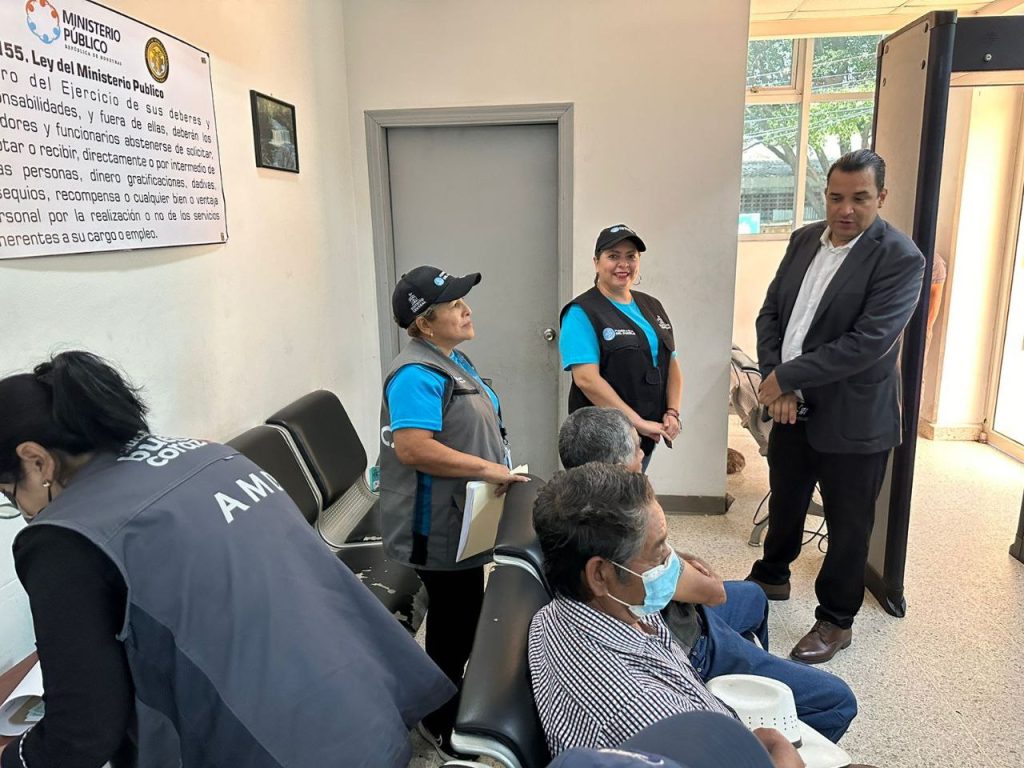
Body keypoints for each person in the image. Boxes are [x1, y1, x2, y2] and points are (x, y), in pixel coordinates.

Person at [0, 351, 454, 768]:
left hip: (279, 748)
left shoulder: (64, 535)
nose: (22, 510)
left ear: (36, 461)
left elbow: (81, 732)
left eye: (9, 493)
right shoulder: (211, 455)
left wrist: (15, 757)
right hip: (365, 714)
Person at [557, 406, 856, 741]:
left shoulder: (572, 519)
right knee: (839, 701)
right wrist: (677, 563)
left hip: (682, 615)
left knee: (755, 596)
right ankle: (757, 707)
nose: (643, 454)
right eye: (637, 447)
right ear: (615, 468)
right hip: (693, 643)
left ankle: (758, 683)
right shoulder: (623, 537)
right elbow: (714, 592)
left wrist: (671, 558)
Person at [747, 149, 925, 663]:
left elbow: (867, 343)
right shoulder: (805, 239)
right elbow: (771, 313)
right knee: (785, 501)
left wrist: (787, 377)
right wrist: (776, 381)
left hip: (855, 418)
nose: (845, 210)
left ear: (881, 197)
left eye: (860, 198)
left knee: (849, 526)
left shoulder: (901, 258)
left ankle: (836, 620)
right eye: (836, 197)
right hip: (791, 407)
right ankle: (770, 578)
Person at [529, 462, 799, 759]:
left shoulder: (574, 609)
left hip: (712, 720)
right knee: (834, 700)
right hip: (719, 744)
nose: (670, 561)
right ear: (600, 575)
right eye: (658, 551)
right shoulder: (646, 715)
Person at [378, 265, 529, 761]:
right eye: (455, 305)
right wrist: (487, 468)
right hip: (435, 525)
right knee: (454, 621)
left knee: (462, 614)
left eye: (464, 301)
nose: (467, 310)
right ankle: (437, 721)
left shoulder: (451, 359)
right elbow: (413, 448)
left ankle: (449, 699)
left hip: (462, 515)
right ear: (424, 323)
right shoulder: (415, 374)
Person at [559, 224, 683, 471]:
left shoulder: (652, 306)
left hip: (643, 437)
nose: (623, 264)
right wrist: (636, 422)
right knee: (602, 494)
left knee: (631, 490)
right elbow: (587, 380)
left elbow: (671, 363)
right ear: (596, 262)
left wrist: (672, 412)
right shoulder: (582, 312)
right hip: (600, 440)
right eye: (613, 256)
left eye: (631, 256)